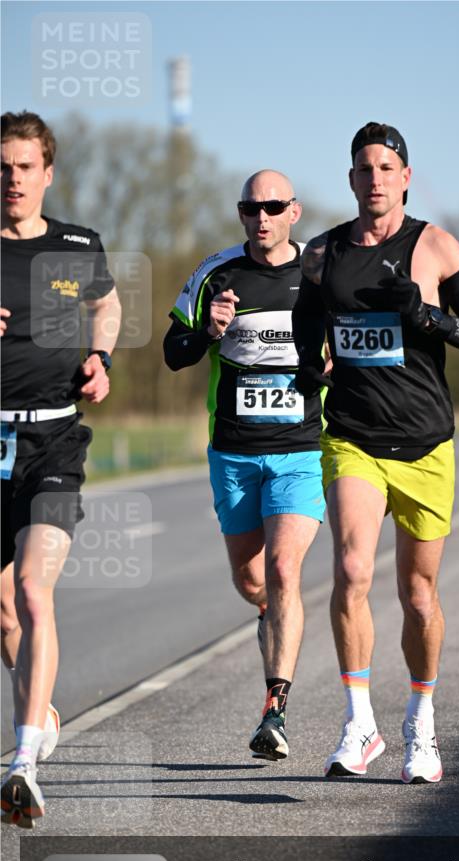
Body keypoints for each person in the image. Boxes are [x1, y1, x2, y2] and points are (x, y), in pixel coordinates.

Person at [293, 122, 459, 784]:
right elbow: (305, 326)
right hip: (352, 436)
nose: (375, 179)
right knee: (351, 568)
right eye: (364, 168)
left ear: (405, 177)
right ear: (351, 179)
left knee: (417, 594)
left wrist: (429, 318)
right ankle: (359, 723)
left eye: (386, 168)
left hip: (424, 444)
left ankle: (421, 722)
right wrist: (309, 366)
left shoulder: (434, 246)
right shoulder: (322, 253)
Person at [163, 171, 324, 762]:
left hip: (302, 448)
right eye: (251, 208)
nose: (262, 217)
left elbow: (351, 346)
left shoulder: (321, 274)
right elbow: (172, 352)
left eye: (274, 207)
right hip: (233, 450)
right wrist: (209, 331)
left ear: (294, 212)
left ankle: (274, 711)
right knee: (253, 581)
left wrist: (331, 365)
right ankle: (267, 612)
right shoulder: (216, 272)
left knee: (284, 569)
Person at [1, 110, 121, 827]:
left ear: (47, 172)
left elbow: (107, 306)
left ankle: (22, 764)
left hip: (51, 441)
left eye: (24, 167)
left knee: (32, 588)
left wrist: (100, 358)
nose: (12, 179)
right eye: (2, 168)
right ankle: (40, 711)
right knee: (4, 612)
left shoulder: (77, 247)